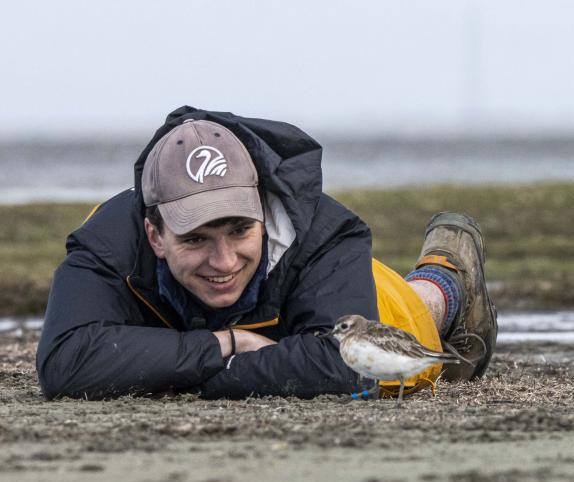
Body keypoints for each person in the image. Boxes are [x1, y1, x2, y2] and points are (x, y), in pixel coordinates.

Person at [36, 106, 497, 400]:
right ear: (154, 234)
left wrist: (193, 376)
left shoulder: (326, 232)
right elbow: (65, 362)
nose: (224, 261)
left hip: (346, 296)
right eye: (195, 238)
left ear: (262, 211)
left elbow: (341, 365)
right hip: (278, 331)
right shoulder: (107, 240)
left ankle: (449, 279)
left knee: (405, 317)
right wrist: (225, 345)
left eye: (239, 230)